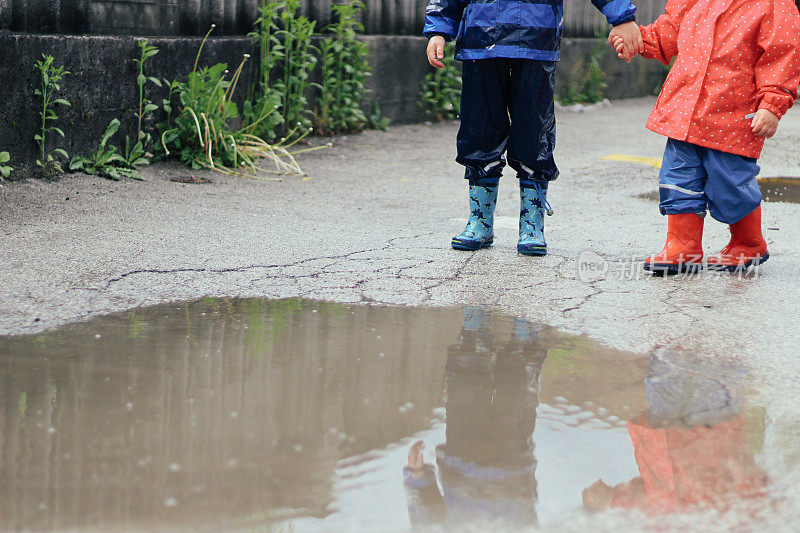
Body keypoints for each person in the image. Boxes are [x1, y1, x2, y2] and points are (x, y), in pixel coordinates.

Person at [424, 1, 642, 256]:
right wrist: (438, 29)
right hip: (480, 40)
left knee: (534, 130)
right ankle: (480, 220)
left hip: (536, 38)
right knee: (479, 129)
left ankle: (532, 224)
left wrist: (622, 18)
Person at [610, 0, 800, 274]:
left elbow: (782, 56)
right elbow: (668, 31)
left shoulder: (774, 4)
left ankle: (748, 242)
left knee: (730, 181)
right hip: (684, 111)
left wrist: (772, 104)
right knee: (677, 177)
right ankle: (682, 245)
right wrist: (638, 40)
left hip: (733, 114)